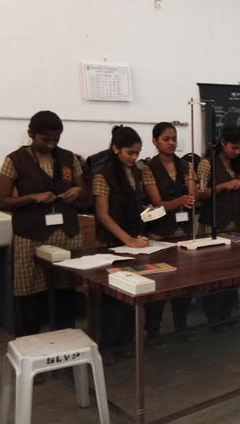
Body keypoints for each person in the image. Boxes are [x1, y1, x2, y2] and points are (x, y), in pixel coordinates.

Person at [0, 111, 87, 344]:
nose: (51, 145)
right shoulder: (14, 160)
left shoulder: (69, 158)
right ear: (30, 133)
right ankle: (28, 347)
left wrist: (77, 191)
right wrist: (33, 197)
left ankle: (65, 345)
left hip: (66, 234)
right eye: (45, 140)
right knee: (29, 296)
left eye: (56, 140)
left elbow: (83, 190)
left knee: (65, 294)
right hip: (30, 237)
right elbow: (2, 201)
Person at [93, 125, 148, 363]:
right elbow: (103, 215)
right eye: (130, 153)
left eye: (137, 153)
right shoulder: (102, 174)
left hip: (134, 239)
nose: (134, 157)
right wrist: (128, 240)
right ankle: (107, 346)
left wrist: (146, 212)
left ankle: (126, 341)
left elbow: (136, 204)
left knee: (133, 293)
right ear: (116, 149)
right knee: (114, 298)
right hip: (113, 243)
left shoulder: (136, 172)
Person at [141, 122, 197, 344]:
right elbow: (156, 203)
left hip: (185, 230)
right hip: (160, 232)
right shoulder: (148, 168)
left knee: (183, 282)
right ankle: (153, 331)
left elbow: (193, 194)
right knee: (159, 283)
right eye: (166, 139)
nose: (172, 143)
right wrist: (180, 201)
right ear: (155, 142)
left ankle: (181, 325)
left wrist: (194, 193)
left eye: (174, 139)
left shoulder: (186, 165)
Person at [195, 125, 240, 330]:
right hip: (212, 223)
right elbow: (198, 194)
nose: (237, 152)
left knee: (232, 271)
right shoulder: (207, 164)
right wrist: (223, 186)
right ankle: (214, 317)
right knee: (214, 272)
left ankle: (227, 314)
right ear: (222, 142)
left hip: (233, 223)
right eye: (233, 147)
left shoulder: (239, 163)